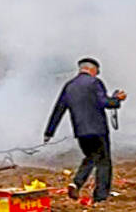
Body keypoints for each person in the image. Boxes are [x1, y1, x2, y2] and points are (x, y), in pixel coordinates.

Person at [46, 57, 131, 204]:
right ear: (92, 69)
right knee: (103, 161)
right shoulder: (94, 83)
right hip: (98, 130)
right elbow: (104, 102)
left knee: (90, 157)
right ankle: (101, 196)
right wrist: (117, 99)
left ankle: (76, 183)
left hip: (80, 131)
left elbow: (58, 109)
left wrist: (49, 132)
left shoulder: (69, 86)